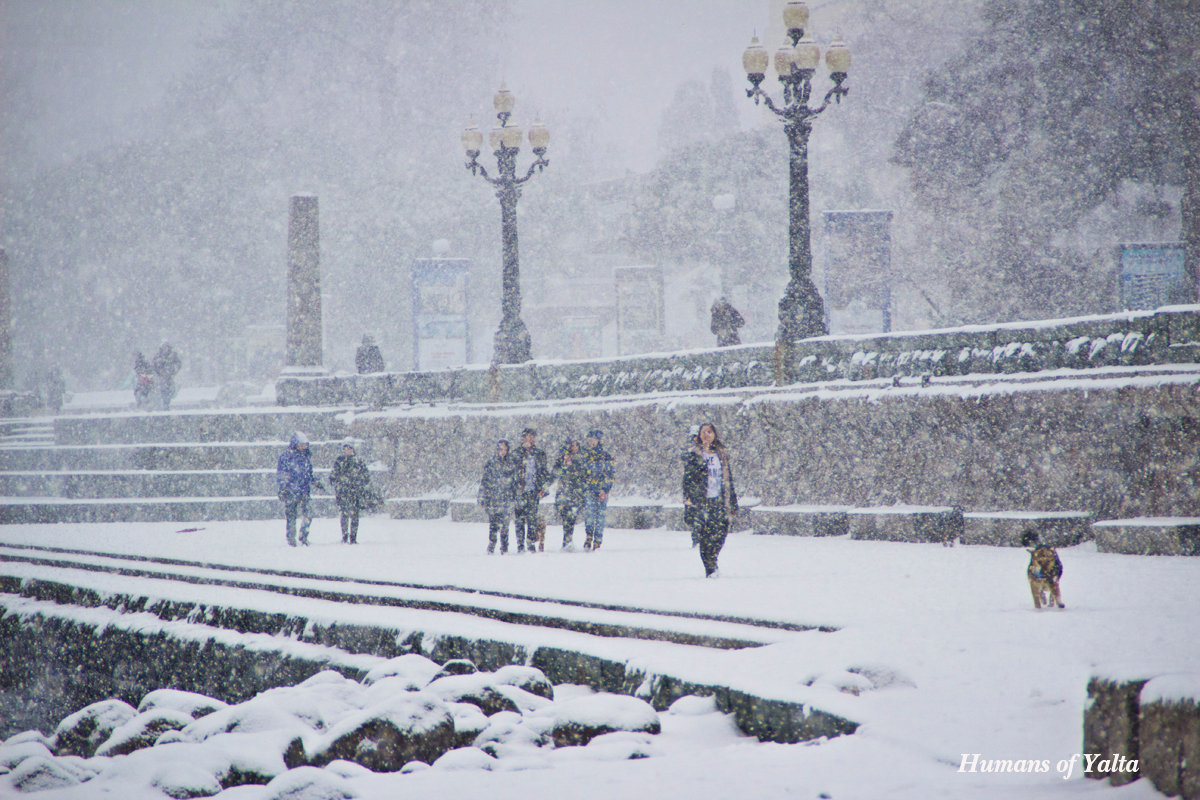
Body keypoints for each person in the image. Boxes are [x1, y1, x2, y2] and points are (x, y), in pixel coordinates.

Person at [682, 422, 739, 578]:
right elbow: (687, 480)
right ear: (699, 435)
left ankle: (712, 558)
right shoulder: (694, 455)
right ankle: (710, 568)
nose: (706, 435)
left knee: (721, 532)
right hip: (703, 501)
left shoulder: (721, 454)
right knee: (706, 536)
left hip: (720, 499)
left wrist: (733, 501)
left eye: (709, 432)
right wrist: (690, 498)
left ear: (714, 434)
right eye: (703, 432)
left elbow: (728, 479)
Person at [513, 427, 550, 552]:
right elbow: (511, 472)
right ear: (523, 438)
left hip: (533, 491)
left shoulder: (540, 454)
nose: (531, 439)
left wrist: (543, 488)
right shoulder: (516, 453)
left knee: (532, 519)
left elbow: (544, 472)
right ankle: (520, 544)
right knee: (519, 520)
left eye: (533, 437)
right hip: (519, 491)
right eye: (528, 437)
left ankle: (530, 543)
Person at [277, 431, 318, 547]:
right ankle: (291, 538)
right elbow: (282, 473)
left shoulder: (306, 457)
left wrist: (314, 480)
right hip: (291, 491)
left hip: (304, 491)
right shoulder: (286, 457)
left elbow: (308, 473)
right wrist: (283, 487)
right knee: (291, 516)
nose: (304, 447)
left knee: (308, 514)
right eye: (301, 444)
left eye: (305, 444)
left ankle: (303, 536)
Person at [478, 439, 518, 554]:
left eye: (505, 449)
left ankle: (504, 547)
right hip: (493, 499)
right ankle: (491, 544)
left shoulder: (511, 463)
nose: (503, 452)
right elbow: (484, 481)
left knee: (505, 525)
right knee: (493, 524)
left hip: (507, 498)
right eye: (501, 449)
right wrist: (482, 497)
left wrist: (516, 497)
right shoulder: (491, 463)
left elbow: (515, 482)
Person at [578, 428, 614, 551]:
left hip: (602, 491)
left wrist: (605, 490)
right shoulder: (585, 456)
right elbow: (582, 474)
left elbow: (610, 474)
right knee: (589, 515)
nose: (591, 443)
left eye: (594, 440)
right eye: (590, 440)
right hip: (589, 490)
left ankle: (598, 540)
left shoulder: (605, 456)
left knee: (600, 517)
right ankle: (589, 536)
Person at [331, 439, 371, 544]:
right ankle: (344, 536)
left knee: (354, 516)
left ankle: (353, 537)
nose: (347, 451)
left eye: (349, 449)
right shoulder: (340, 460)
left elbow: (366, 476)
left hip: (355, 493)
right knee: (344, 515)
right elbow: (333, 476)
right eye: (346, 449)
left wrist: (358, 484)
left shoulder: (358, 461)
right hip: (343, 492)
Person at [551, 437, 586, 550]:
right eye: (572, 446)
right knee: (566, 517)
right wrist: (565, 464)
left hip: (576, 493)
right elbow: (555, 473)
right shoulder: (562, 459)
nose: (574, 448)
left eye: (576, 445)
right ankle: (567, 541)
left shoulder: (581, 459)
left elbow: (583, 474)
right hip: (564, 492)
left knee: (572, 518)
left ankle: (568, 541)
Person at [152, 342, 182, 410]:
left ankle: (167, 403)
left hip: (170, 377)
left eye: (166, 346)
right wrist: (160, 372)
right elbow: (154, 366)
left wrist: (173, 371)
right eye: (163, 347)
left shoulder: (173, 355)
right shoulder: (158, 356)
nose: (165, 348)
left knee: (170, 390)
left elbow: (178, 364)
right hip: (161, 377)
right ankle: (164, 404)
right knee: (162, 391)